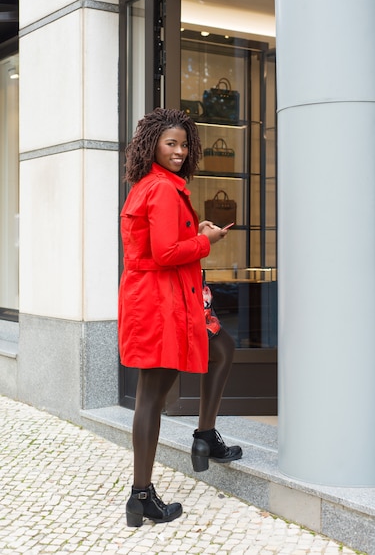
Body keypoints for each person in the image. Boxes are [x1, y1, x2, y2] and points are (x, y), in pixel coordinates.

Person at [118, 108, 242, 528]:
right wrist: (204, 241)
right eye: (170, 143)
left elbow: (165, 243)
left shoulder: (151, 186)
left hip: (170, 299)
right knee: (152, 393)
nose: (179, 150)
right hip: (162, 302)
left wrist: (195, 234)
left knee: (221, 347)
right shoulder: (163, 191)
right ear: (152, 144)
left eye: (184, 144)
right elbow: (167, 254)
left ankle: (205, 435)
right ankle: (140, 495)